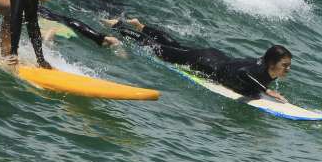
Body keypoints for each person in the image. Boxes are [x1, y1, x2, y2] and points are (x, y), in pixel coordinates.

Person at [112, 18, 293, 101]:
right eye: (284, 65)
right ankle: (119, 26)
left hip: (214, 56)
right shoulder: (258, 71)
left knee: (176, 46)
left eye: (288, 66)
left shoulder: (264, 66)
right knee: (159, 50)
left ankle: (142, 26)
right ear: (271, 63)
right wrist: (266, 91)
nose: (287, 69)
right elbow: (242, 73)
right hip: (205, 62)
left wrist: (261, 89)